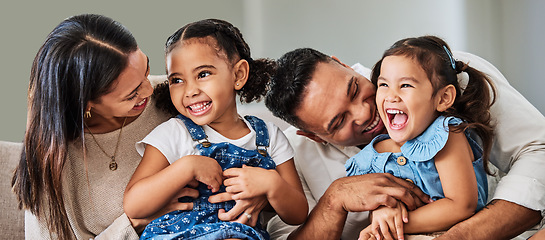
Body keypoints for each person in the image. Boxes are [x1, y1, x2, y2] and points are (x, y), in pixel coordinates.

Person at [264, 44, 545, 239]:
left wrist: (462, 235)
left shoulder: (438, 73)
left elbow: (538, 149)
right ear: (312, 136)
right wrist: (333, 200)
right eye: (338, 122)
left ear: (343, 64)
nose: (365, 113)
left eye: (354, 89)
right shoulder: (291, 157)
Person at [10, 14, 204, 239]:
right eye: (132, 95)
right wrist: (134, 223)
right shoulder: (52, 164)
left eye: (146, 71)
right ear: (86, 104)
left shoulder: (177, 95)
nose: (150, 91)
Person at [123, 19, 307, 240]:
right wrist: (187, 167)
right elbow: (134, 205)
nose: (190, 91)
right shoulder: (174, 132)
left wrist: (272, 184)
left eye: (202, 74)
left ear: (238, 75)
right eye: (177, 80)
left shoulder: (268, 137)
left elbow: (298, 214)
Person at [346, 36, 495, 240]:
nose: (391, 96)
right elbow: (379, 204)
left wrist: (392, 226)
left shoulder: (445, 136)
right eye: (383, 85)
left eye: (405, 85)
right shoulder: (375, 154)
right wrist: (382, 212)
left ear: (443, 98)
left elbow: (461, 205)